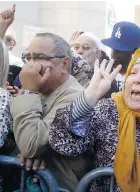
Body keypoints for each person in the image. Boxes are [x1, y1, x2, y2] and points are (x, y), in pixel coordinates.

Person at [49, 49, 140, 191]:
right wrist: (90, 95)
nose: (137, 79)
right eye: (133, 72)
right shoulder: (106, 109)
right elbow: (63, 143)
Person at [11, 33, 93, 191]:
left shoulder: (75, 97)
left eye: (40, 57)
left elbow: (30, 145)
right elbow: (16, 140)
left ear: (64, 64)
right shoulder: (37, 88)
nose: (31, 65)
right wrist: (18, 153)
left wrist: (28, 91)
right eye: (28, 58)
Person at [101, 21, 140, 92]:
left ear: (134, 52)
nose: (114, 51)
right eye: (113, 47)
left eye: (119, 49)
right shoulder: (103, 70)